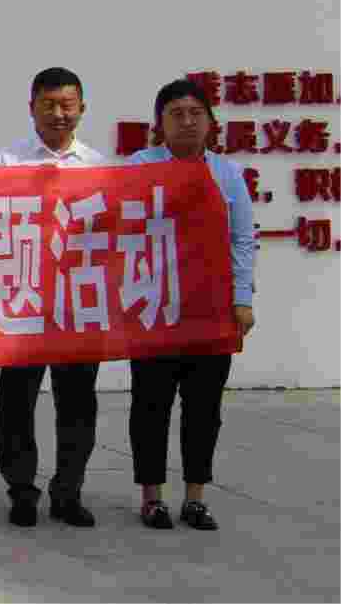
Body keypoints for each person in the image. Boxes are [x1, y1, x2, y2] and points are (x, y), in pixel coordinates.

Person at [127, 77, 256, 532]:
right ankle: (152, 498)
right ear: (159, 124)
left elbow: (242, 239)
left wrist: (243, 299)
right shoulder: (138, 167)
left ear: (211, 122)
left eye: (195, 113)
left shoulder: (228, 173)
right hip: (155, 309)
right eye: (176, 114)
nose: (186, 122)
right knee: (151, 405)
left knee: (204, 408)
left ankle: (195, 498)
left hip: (211, 309)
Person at [0, 65, 113, 528]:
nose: (58, 113)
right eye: (49, 105)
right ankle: (21, 491)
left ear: (82, 108)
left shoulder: (98, 165)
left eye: (67, 105)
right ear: (31, 108)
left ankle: (68, 492)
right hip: (24, 300)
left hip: (77, 302)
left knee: (77, 402)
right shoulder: (9, 161)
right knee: (16, 401)